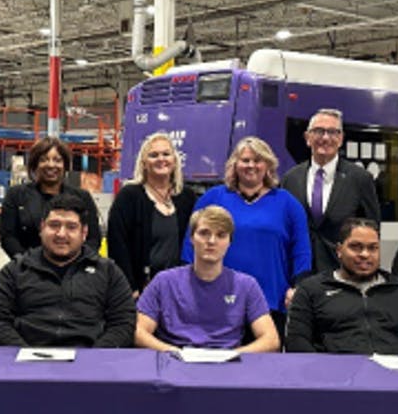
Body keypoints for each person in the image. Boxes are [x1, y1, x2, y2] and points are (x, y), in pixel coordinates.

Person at [183, 136, 310, 341]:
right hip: (216, 300)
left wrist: (297, 288)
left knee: (265, 365)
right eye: (245, 160)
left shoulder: (287, 203)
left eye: (257, 160)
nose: (251, 165)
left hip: (271, 300)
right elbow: (190, 247)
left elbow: (302, 250)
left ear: (268, 165)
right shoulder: (213, 198)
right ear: (235, 165)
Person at [0, 193, 134, 347]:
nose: (61, 234)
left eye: (71, 227)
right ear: (42, 228)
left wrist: (95, 357)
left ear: (84, 233)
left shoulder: (108, 272)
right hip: (26, 361)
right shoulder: (16, 270)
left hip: (89, 361)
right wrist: (23, 352)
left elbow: (124, 322)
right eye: (54, 225)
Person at [135, 205, 278, 353]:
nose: (211, 241)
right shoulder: (163, 282)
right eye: (204, 233)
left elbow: (271, 339)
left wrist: (233, 355)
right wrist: (175, 353)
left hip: (227, 365)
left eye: (221, 235)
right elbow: (138, 332)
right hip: (174, 361)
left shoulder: (246, 285)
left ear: (230, 242)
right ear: (191, 238)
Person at [286, 218, 398, 355]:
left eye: (372, 248)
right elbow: (297, 343)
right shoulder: (311, 291)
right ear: (339, 250)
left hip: (396, 379)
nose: (365, 254)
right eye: (356, 247)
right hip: (335, 378)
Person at [281, 108, 379, 275]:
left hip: (344, 275)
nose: (325, 138)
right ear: (307, 138)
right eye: (319, 131)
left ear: (340, 139)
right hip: (300, 275)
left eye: (332, 132)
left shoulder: (360, 179)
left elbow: (373, 229)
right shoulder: (290, 178)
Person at [107, 131, 197, 295]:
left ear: (175, 160)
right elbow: (117, 244)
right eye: (154, 155)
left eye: (166, 154)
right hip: (142, 289)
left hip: (178, 288)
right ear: (144, 163)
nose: (161, 159)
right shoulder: (129, 196)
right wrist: (131, 287)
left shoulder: (187, 198)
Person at [0, 136, 102, 258]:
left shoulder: (82, 197)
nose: (51, 165)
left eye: (57, 160)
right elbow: (8, 237)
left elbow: (93, 239)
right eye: (44, 160)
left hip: (73, 271)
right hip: (27, 270)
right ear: (35, 164)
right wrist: (26, 264)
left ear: (65, 165)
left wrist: (76, 265)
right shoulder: (16, 195)